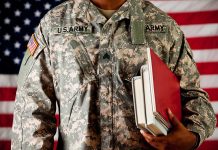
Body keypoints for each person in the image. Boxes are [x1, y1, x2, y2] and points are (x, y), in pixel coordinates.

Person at [12, 0, 216, 149]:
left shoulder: (164, 27)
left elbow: (194, 97)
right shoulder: (54, 25)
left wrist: (192, 136)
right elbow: (32, 109)